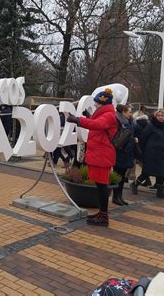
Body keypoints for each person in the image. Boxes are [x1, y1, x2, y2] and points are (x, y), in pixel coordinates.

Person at [67, 88, 117, 227]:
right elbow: (99, 124)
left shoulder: (108, 115)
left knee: (102, 186)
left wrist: (78, 120)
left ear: (102, 103)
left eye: (96, 103)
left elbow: (98, 124)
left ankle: (104, 216)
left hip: (102, 155)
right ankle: (101, 213)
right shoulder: (107, 114)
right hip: (100, 154)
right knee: (100, 185)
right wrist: (89, 116)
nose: (94, 105)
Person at [132, 109, 164, 199]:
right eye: (159, 116)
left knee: (162, 172)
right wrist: (145, 150)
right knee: (147, 172)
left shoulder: (163, 126)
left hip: (161, 153)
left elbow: (163, 139)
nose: (161, 117)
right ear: (155, 116)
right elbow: (143, 138)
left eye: (162, 116)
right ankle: (135, 184)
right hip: (151, 153)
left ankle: (160, 192)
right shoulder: (151, 126)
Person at [112, 104, 136, 206]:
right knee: (118, 175)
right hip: (120, 151)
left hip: (127, 152)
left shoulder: (129, 121)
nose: (131, 114)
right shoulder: (120, 122)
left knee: (122, 175)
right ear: (123, 112)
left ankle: (119, 196)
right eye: (129, 112)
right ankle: (115, 196)